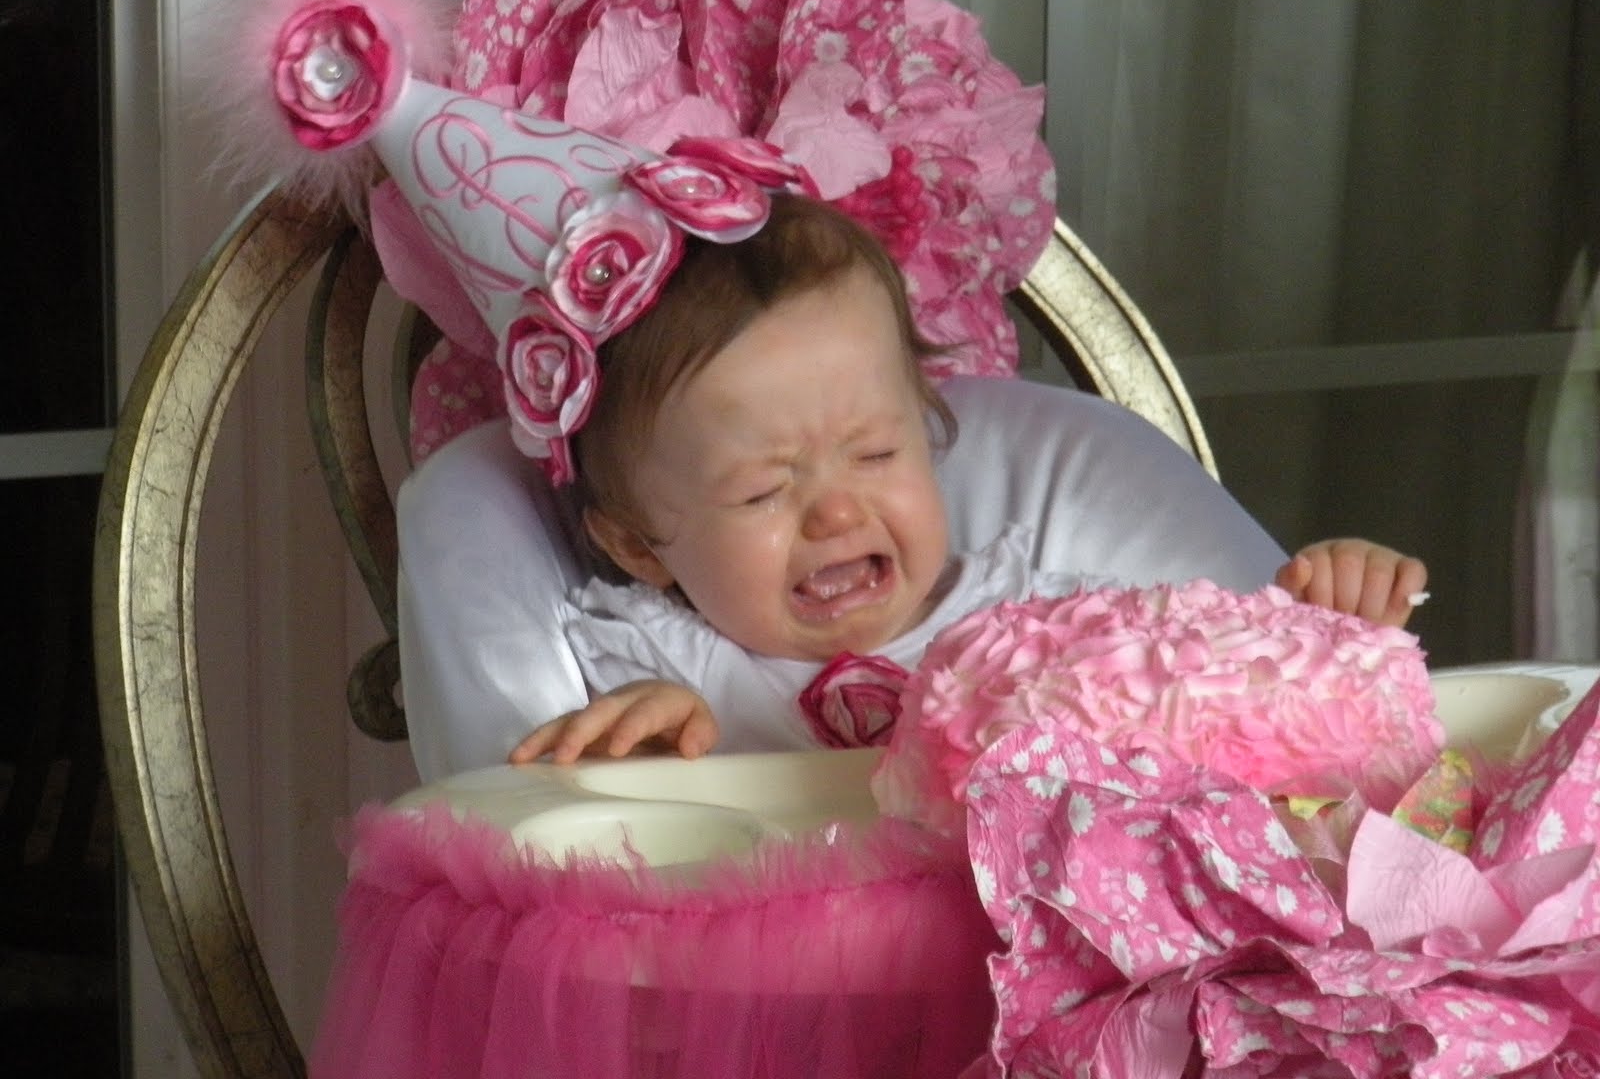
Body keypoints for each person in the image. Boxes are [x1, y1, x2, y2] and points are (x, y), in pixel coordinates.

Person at [509, 195, 1428, 766]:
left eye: (876, 454)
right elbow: (569, 854)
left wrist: (1323, 621)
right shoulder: (659, 666)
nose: (836, 510)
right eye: (762, 493)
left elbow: (1210, 691)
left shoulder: (1040, 620)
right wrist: (635, 760)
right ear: (638, 544)